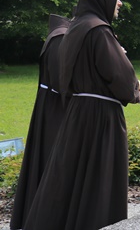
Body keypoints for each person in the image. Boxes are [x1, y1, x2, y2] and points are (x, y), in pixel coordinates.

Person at [24, 0, 140, 230]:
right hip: (100, 116)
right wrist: (135, 91)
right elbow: (120, 75)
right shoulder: (99, 31)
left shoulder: (76, 28)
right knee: (98, 175)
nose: (120, 3)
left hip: (78, 113)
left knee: (70, 175)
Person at [11, 13, 72, 229]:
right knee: (51, 160)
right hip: (55, 109)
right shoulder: (60, 38)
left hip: (51, 106)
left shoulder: (58, 35)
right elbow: (60, 80)